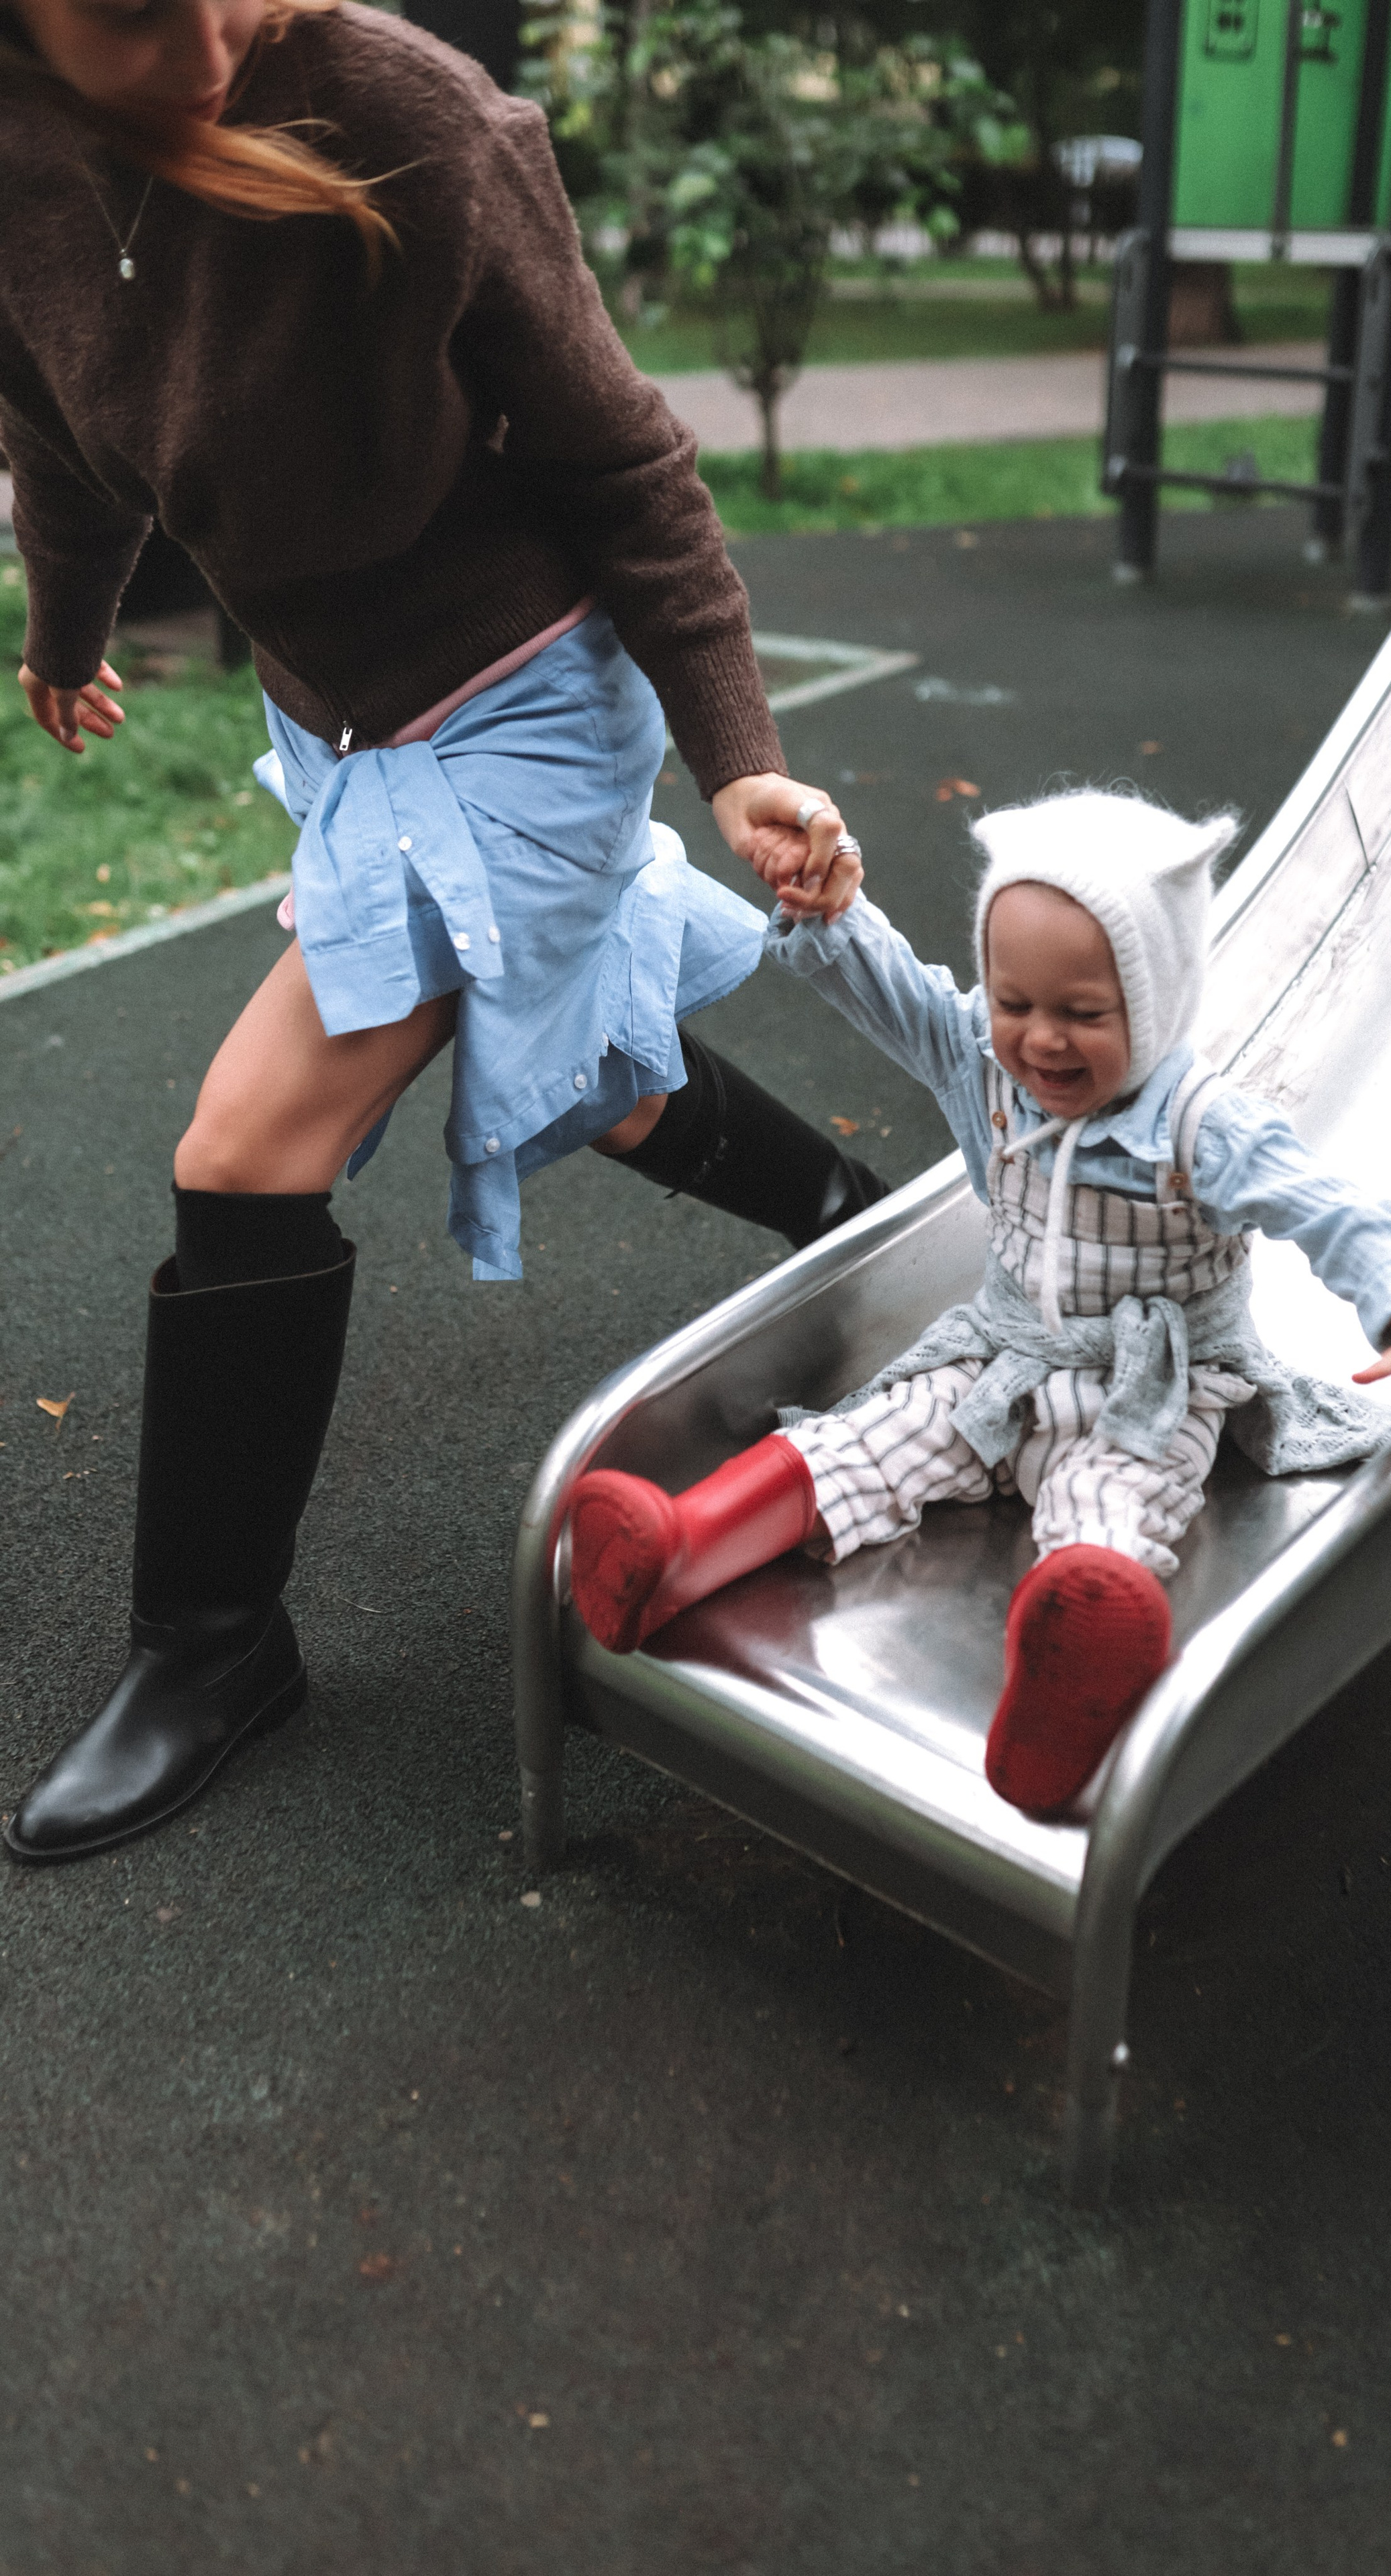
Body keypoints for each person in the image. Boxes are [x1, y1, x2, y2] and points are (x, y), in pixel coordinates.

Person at [0, 0, 884, 1864]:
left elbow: (625, 463)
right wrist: (66, 627)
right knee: (583, 1068)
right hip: (332, 715)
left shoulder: (412, 119)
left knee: (248, 1140)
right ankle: (858, 1239)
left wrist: (735, 762)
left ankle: (213, 1648)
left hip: (523, 703)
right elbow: (62, 435)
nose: (221, 27)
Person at [566, 789, 1391, 1818]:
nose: (1041, 1040)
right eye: (1015, 1001)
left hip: (1145, 1391)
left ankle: (1073, 1675)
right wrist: (829, 910)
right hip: (1000, 1359)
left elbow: (1335, 1209)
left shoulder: (1203, 1126)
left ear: (1157, 1001)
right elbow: (894, 990)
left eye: (1085, 1014)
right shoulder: (987, 1061)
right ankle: (680, 1544)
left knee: (1114, 1503)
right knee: (870, 1438)